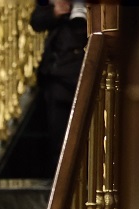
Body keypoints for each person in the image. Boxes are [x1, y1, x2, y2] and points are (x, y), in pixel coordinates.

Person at [31, 0, 88, 164]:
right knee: (60, 141)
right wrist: (56, 11)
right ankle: (61, 185)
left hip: (89, 69)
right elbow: (37, 21)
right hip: (58, 76)